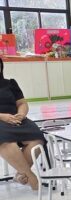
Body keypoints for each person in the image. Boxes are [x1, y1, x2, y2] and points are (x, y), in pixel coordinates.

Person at [0, 58, 44, 190]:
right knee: (6, 140)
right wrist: (3, 116)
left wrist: (21, 114)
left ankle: (20, 174)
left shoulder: (10, 83)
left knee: (37, 137)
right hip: (1, 121)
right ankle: (32, 178)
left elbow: (22, 103)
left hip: (16, 119)